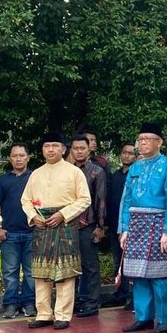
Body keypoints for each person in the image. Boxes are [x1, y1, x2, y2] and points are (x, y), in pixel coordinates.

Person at [21, 132, 91, 330]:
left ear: (63, 149)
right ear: (42, 150)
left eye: (54, 145)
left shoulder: (74, 172)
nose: (50, 149)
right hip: (41, 224)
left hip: (65, 223)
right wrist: (33, 217)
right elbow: (25, 200)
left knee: (65, 271)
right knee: (40, 271)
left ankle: (62, 315)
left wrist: (63, 214)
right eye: (46, 146)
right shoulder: (36, 173)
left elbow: (85, 199)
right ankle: (43, 314)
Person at [120, 123, 167, 333]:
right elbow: (126, 199)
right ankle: (143, 317)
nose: (143, 142)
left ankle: (163, 318)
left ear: (159, 142)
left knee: (158, 274)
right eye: (141, 139)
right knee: (137, 273)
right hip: (135, 223)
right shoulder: (135, 167)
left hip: (157, 223)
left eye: (148, 138)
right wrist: (124, 228)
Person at [0, 143, 35, 319]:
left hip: (32, 232)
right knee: (10, 272)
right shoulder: (2, 180)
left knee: (32, 272)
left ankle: (29, 303)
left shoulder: (35, 178)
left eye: (21, 155)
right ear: (10, 158)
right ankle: (10, 304)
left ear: (28, 157)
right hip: (9, 234)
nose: (18, 159)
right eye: (14, 156)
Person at [71, 134, 107, 317]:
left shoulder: (96, 171)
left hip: (89, 225)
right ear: (71, 151)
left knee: (90, 267)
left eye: (82, 148)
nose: (79, 152)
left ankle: (92, 304)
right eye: (75, 148)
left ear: (88, 150)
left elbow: (100, 200)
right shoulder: (66, 171)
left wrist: (101, 226)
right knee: (69, 267)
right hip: (67, 226)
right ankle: (73, 303)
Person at [102, 142, 136, 309]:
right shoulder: (115, 175)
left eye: (130, 153)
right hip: (115, 225)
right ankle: (120, 294)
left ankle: (132, 296)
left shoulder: (136, 175)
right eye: (124, 152)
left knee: (131, 263)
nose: (127, 156)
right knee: (118, 263)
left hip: (131, 228)